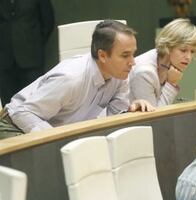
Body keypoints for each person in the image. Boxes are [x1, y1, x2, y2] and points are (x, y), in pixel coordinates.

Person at [0, 20, 154, 140]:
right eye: (125, 55)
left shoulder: (119, 75)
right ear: (102, 56)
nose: (132, 62)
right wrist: (57, 141)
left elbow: (113, 119)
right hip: (14, 125)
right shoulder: (71, 78)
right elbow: (23, 112)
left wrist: (131, 110)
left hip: (58, 130)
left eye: (133, 54)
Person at [128, 18, 196, 107]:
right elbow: (154, 117)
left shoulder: (166, 63)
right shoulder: (144, 72)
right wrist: (171, 84)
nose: (188, 57)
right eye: (183, 50)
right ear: (168, 46)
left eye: (192, 51)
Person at [0, 0, 55, 106]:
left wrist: (34, 44)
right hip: (4, 60)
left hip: (31, 59)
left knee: (34, 104)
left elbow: (48, 22)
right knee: (9, 106)